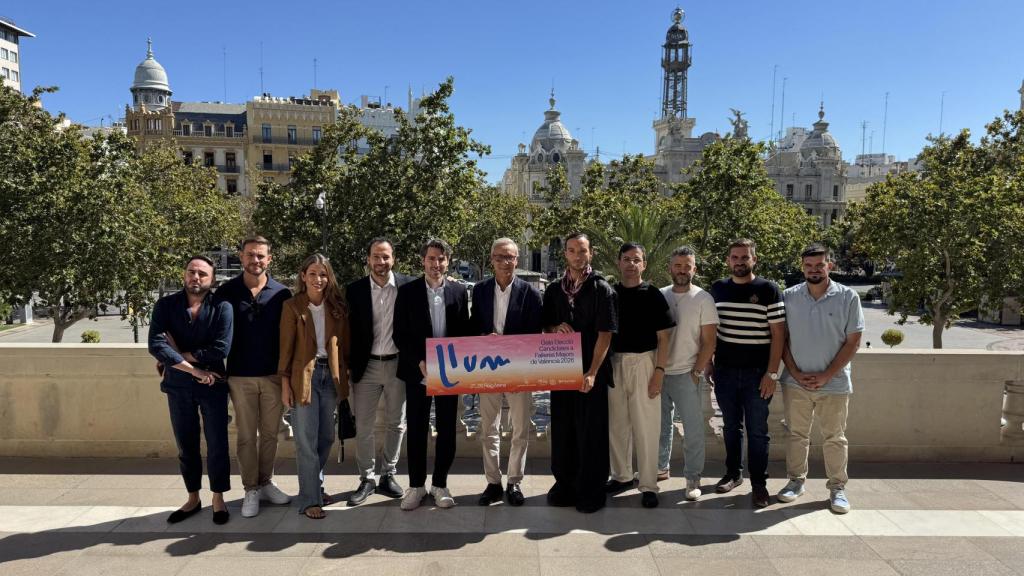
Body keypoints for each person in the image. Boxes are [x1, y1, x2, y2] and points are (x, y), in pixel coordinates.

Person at [778, 243, 864, 514]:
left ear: (830, 265)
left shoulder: (848, 297)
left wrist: (827, 375)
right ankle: (795, 482)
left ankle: (837, 489)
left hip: (834, 384)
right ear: (802, 267)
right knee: (796, 436)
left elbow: (853, 342)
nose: (814, 270)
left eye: (820, 264)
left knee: (835, 438)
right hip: (796, 383)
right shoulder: (789, 296)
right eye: (808, 265)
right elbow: (782, 340)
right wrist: (794, 372)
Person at [148, 255, 233, 525]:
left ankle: (218, 498)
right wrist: (194, 369)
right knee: (186, 444)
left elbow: (221, 348)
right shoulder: (165, 305)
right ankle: (193, 498)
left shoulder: (222, 307)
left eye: (202, 274)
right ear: (184, 275)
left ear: (212, 279)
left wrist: (177, 354)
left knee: (217, 443)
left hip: (214, 384)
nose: (195, 277)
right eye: (191, 272)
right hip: (179, 385)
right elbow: (155, 346)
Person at [213, 235, 292, 518]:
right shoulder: (225, 292)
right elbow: (211, 331)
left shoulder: (283, 294)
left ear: (269, 259)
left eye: (260, 256)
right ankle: (250, 489)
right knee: (246, 436)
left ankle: (266, 482)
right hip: (239, 377)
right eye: (250, 255)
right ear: (241, 257)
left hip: (273, 376)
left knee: (271, 435)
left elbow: (290, 338)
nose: (255, 260)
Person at [542, 232, 617, 513]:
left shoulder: (601, 289)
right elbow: (546, 327)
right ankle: (565, 485)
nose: (577, 255)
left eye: (582, 251)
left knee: (591, 432)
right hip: (561, 370)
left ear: (590, 253)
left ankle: (591, 489)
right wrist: (554, 328)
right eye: (572, 251)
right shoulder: (553, 290)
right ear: (565, 255)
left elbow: (605, 334)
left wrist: (592, 372)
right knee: (563, 430)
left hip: (589, 372)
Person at [394, 238, 470, 510]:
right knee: (416, 428)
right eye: (431, 259)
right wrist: (419, 361)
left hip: (449, 372)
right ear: (422, 261)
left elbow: (464, 332)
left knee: (448, 429)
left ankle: (440, 484)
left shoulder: (460, 292)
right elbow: (399, 334)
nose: (436, 264)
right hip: (419, 372)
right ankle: (416, 486)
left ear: (448, 261)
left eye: (441, 259)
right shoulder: (407, 292)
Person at [709, 238, 785, 508]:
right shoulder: (717, 289)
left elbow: (778, 335)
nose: (739, 262)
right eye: (735, 257)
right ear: (728, 260)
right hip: (725, 372)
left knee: (757, 431)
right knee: (730, 427)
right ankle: (733, 474)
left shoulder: (769, 290)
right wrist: (709, 363)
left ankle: (759, 485)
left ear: (754, 259)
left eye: (745, 257)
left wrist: (771, 374)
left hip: (757, 375)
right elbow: (711, 331)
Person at [470, 238, 543, 507]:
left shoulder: (531, 293)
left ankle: (514, 481)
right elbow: (472, 326)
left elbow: (536, 333)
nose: (505, 262)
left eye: (510, 257)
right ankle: (492, 482)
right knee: (488, 428)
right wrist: (483, 336)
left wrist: (510, 343)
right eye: (500, 257)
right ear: (492, 259)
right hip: (488, 369)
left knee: (520, 428)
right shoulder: (479, 291)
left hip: (519, 369)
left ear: (518, 260)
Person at [278, 254, 349, 520]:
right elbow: (285, 349)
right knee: (306, 441)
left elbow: (345, 345)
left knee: (326, 437)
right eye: (313, 274)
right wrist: (285, 383)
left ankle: (316, 487)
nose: (318, 279)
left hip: (330, 377)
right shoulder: (293, 306)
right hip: (303, 378)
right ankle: (309, 500)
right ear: (303, 276)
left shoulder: (336, 307)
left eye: (323, 274)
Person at [345, 238, 415, 506]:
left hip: (399, 364)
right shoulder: (354, 290)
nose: (381, 262)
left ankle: (388, 474)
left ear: (393, 259)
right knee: (364, 425)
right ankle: (367, 478)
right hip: (367, 365)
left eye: (385, 257)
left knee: (397, 423)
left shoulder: (408, 286)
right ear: (368, 259)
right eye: (376, 256)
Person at [606, 243, 674, 509]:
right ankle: (622, 476)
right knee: (617, 424)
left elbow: (664, 337)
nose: (631, 264)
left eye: (636, 259)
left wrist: (659, 371)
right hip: (615, 362)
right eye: (626, 259)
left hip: (645, 362)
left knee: (646, 427)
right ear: (618, 263)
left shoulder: (654, 295)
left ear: (644, 264)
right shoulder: (610, 294)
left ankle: (648, 484)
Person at [658, 246, 718, 501]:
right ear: (670, 268)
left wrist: (696, 372)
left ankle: (693, 477)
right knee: (659, 428)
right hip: (659, 373)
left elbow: (709, 341)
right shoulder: (660, 295)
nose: (682, 270)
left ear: (695, 269)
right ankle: (660, 468)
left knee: (693, 430)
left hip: (687, 374)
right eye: (678, 265)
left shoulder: (703, 298)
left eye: (688, 266)